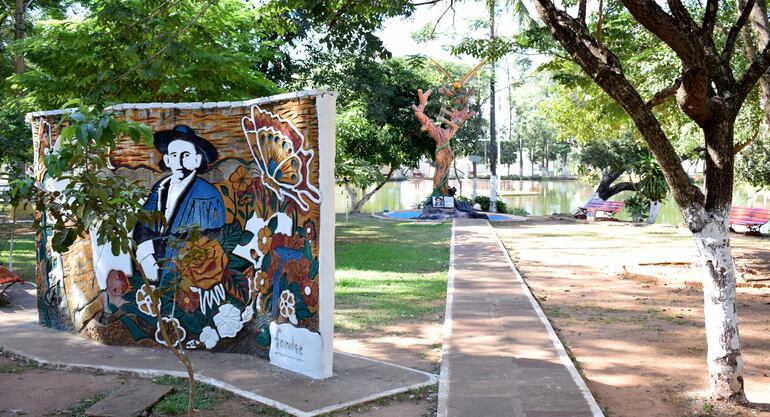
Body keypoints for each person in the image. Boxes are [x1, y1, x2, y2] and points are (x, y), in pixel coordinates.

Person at [133, 125, 225, 284]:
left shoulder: (208, 195)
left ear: (197, 160)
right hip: (153, 267)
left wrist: (155, 247)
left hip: (186, 271)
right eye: (174, 155)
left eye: (186, 155)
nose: (180, 161)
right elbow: (143, 227)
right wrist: (145, 253)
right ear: (167, 160)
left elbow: (209, 238)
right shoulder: (160, 188)